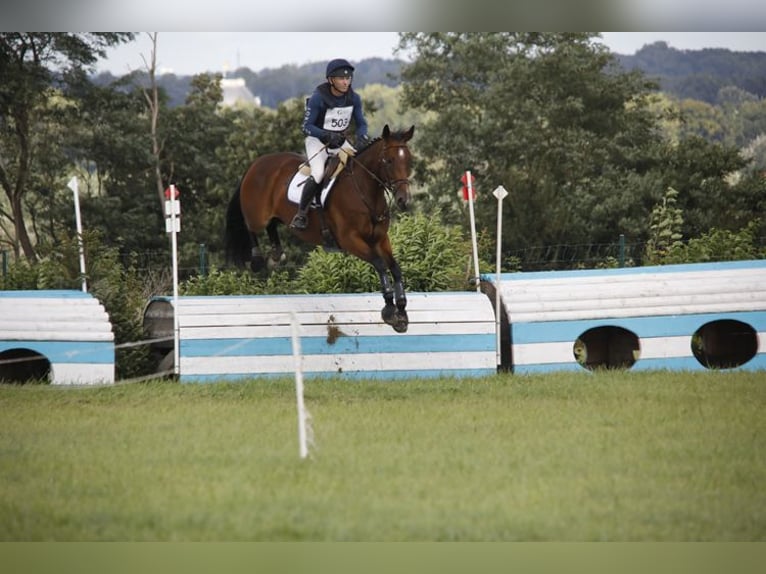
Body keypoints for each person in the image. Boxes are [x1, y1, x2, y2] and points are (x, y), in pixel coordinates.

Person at [290, 58, 370, 230]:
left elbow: (361, 123)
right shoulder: (318, 98)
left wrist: (362, 136)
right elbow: (306, 126)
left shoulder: (354, 98)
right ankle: (301, 214)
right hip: (317, 142)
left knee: (359, 167)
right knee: (318, 173)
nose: (345, 81)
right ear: (331, 80)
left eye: (348, 78)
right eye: (341, 78)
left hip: (340, 142)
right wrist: (325, 135)